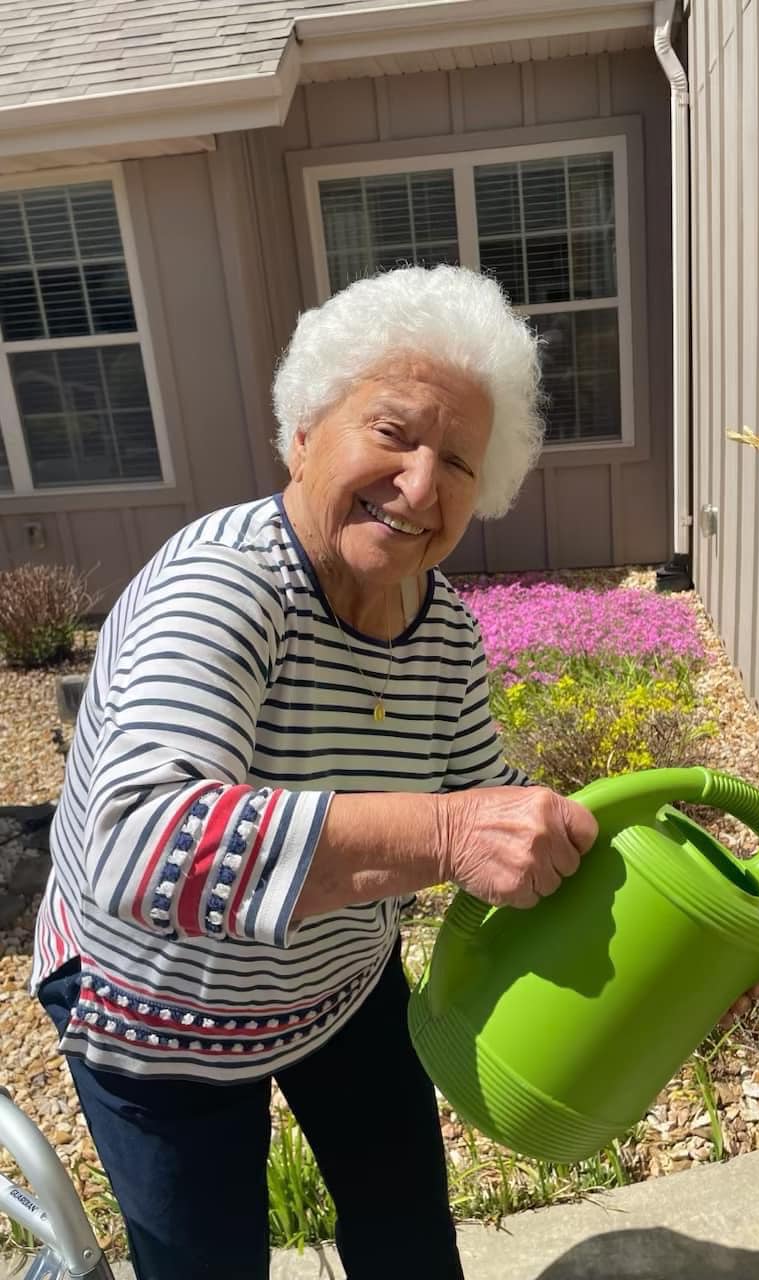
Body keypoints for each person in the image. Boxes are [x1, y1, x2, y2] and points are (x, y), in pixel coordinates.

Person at [31, 265, 599, 1280]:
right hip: (158, 1009)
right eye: (393, 433)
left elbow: (488, 801)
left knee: (411, 1234)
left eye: (459, 462)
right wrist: (443, 834)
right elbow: (138, 844)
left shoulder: (443, 632)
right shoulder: (221, 587)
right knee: (210, 1263)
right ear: (304, 429)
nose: (422, 486)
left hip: (336, 979)